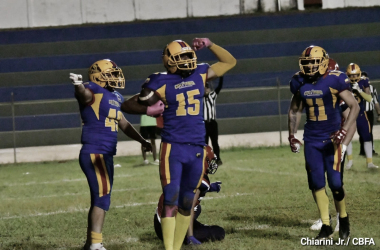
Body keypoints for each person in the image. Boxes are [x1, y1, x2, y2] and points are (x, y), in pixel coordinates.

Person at [121, 38, 236, 250]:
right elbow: (127, 104)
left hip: (196, 148)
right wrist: (148, 109)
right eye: (180, 57)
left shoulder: (200, 73)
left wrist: (210, 45)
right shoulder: (159, 81)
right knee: (171, 197)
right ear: (169, 61)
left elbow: (229, 62)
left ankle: (177, 244)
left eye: (187, 55)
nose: (186, 60)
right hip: (173, 147)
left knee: (186, 202)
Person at [69, 59, 152, 250]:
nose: (116, 77)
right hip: (95, 151)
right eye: (111, 74)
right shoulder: (93, 90)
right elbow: (84, 95)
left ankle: (90, 243)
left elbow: (124, 124)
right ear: (99, 75)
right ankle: (96, 244)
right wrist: (78, 85)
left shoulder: (116, 97)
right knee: (103, 197)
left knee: (100, 197)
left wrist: (142, 141)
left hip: (105, 154)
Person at [288, 46, 359, 240]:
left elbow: (354, 106)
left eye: (313, 62)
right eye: (306, 63)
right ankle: (326, 225)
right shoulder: (299, 82)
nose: (309, 67)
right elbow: (294, 110)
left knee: (336, 183)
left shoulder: (335, 79)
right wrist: (292, 134)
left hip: (332, 138)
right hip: (311, 139)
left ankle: (343, 218)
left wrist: (344, 134)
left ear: (324, 62)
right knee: (316, 183)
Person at [153, 146, 225, 245]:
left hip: (160, 220)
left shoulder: (183, 169)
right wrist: (190, 235)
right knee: (219, 232)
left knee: (197, 208)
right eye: (209, 161)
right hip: (169, 229)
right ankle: (187, 234)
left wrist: (209, 188)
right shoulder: (199, 179)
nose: (210, 165)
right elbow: (188, 207)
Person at [345, 63, 378, 169]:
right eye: (351, 75)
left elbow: (369, 98)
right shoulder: (344, 83)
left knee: (367, 137)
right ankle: (349, 162)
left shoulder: (363, 81)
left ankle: (369, 162)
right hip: (349, 114)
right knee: (347, 138)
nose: (353, 78)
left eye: (355, 75)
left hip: (360, 113)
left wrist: (359, 91)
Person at [358, 71, 380, 157]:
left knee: (369, 132)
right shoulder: (356, 87)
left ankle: (370, 150)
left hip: (369, 112)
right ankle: (363, 151)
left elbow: (375, 101)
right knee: (361, 132)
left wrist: (379, 114)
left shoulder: (371, 88)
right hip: (360, 112)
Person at [204, 76, 224, 165]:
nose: (206, 89)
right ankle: (206, 160)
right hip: (203, 124)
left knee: (215, 142)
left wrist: (221, 76)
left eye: (207, 87)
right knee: (205, 143)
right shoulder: (199, 98)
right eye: (204, 88)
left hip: (212, 123)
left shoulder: (213, 95)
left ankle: (218, 158)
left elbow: (219, 87)